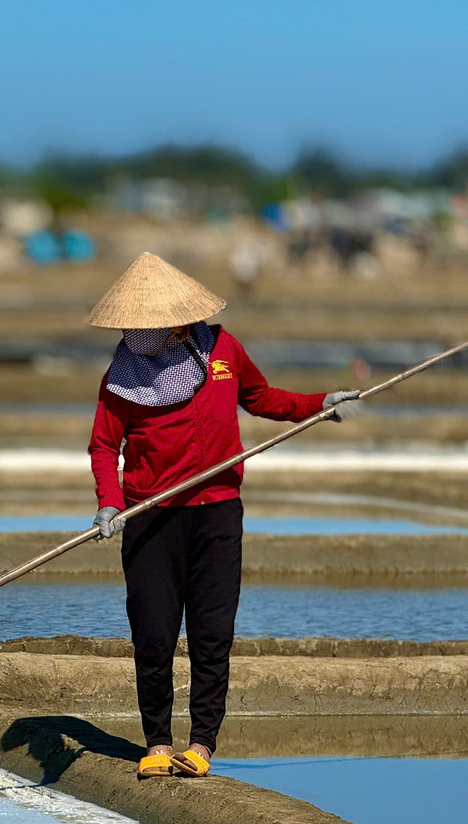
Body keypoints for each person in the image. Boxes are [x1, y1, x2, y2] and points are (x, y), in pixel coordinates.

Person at [86, 253, 360, 780]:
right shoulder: (122, 377)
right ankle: (158, 742)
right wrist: (109, 502)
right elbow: (104, 446)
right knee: (154, 634)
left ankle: (201, 743)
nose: (140, 332)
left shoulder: (222, 351)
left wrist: (320, 403)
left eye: (152, 324)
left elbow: (260, 397)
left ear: (177, 320)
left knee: (212, 633)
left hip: (216, 516)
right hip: (151, 517)